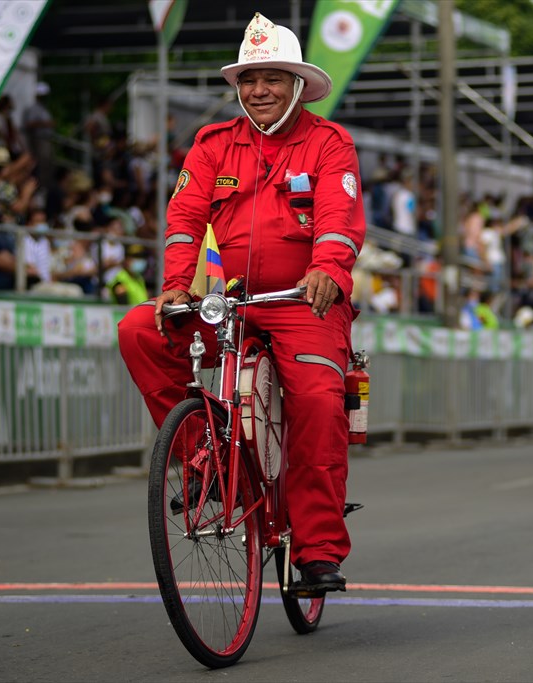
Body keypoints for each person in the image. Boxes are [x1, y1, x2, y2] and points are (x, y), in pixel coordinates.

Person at [117, 12, 365, 593]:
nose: (259, 91)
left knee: (319, 404)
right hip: (228, 302)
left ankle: (318, 551)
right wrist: (177, 285)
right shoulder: (212, 145)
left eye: (273, 78)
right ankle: (203, 458)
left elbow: (339, 219)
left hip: (306, 303)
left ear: (299, 84)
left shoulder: (330, 144)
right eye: (249, 80)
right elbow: (183, 219)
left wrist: (327, 269)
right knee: (139, 330)